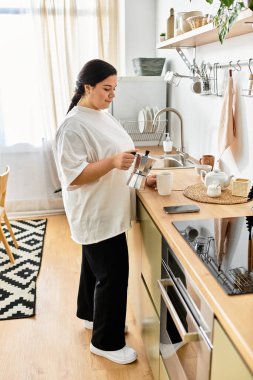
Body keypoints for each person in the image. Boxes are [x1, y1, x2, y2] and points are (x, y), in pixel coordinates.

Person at [54, 59, 156, 365]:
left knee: (94, 269)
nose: (112, 95)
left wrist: (142, 175)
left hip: (108, 208)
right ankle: (105, 343)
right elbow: (73, 177)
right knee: (112, 275)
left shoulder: (100, 114)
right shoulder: (73, 126)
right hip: (97, 213)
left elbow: (121, 156)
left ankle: (90, 316)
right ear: (88, 87)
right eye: (106, 89)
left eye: (115, 89)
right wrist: (112, 163)